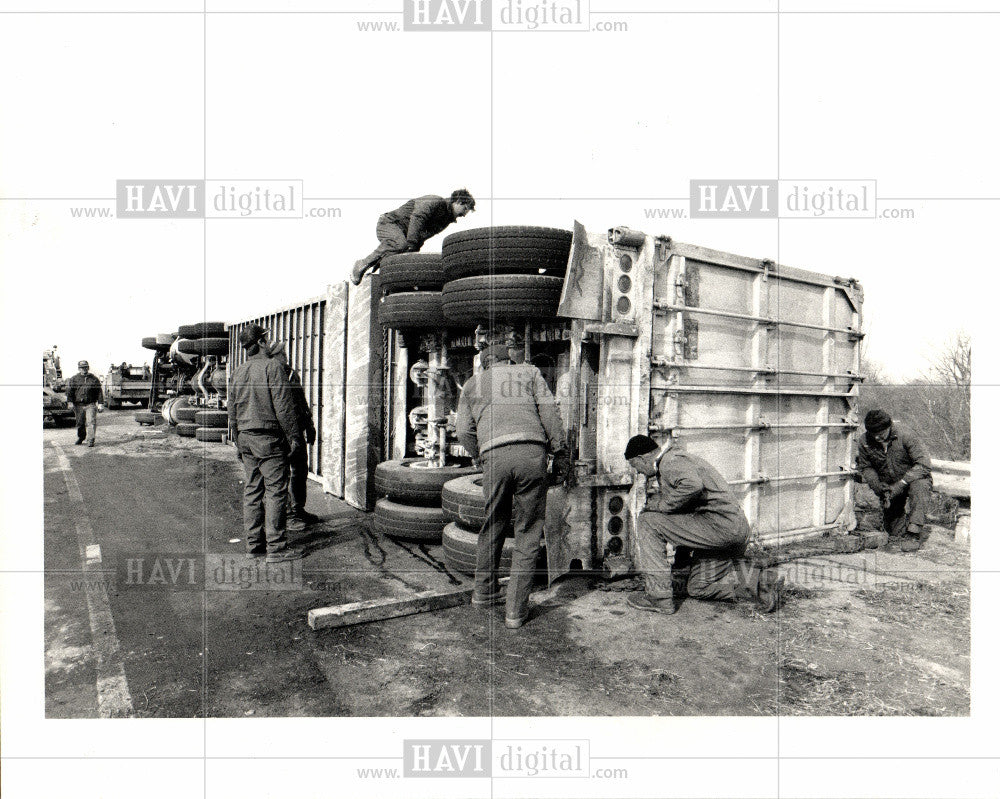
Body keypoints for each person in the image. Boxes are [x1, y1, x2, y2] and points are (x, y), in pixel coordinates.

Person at [456, 344, 569, 629]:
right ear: (510, 360)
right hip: (532, 454)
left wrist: (479, 454)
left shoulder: (471, 385)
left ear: (484, 364)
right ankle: (515, 613)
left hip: (493, 455)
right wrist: (560, 451)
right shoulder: (529, 373)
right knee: (528, 532)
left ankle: (483, 593)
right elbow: (549, 413)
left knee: (493, 524)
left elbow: (463, 431)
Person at [624, 434, 783, 614]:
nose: (637, 471)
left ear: (641, 458)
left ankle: (658, 598)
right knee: (698, 587)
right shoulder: (680, 459)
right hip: (731, 534)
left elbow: (692, 486)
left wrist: (660, 505)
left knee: (648, 521)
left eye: (633, 465)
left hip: (720, 529)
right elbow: (686, 517)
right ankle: (760, 584)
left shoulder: (670, 462)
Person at [227, 325, 305, 563]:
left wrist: (237, 440)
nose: (269, 341)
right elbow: (283, 407)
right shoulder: (274, 367)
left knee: (252, 491)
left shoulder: (238, 371)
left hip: (246, 438)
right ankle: (277, 549)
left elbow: (231, 409)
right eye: (267, 338)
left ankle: (254, 547)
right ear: (261, 342)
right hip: (268, 439)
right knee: (275, 492)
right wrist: (294, 437)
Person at [351, 189, 475, 285]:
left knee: (404, 256)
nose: (464, 215)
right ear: (458, 201)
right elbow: (417, 218)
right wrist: (411, 242)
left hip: (405, 235)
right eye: (465, 209)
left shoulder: (446, 220)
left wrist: (413, 251)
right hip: (390, 223)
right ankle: (362, 264)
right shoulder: (434, 201)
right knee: (401, 244)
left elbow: (424, 235)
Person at [856, 409, 932, 553]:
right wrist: (876, 485)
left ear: (889, 427)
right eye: (874, 435)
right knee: (893, 533)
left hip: (912, 480)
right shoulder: (864, 441)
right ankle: (900, 529)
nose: (877, 438)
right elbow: (866, 467)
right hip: (889, 485)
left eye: (881, 434)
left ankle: (913, 533)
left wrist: (902, 483)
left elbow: (924, 464)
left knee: (920, 487)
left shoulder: (906, 435)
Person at [267, 342, 320, 531]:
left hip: (297, 429)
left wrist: (310, 426)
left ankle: (298, 509)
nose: (285, 356)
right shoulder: (271, 374)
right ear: (274, 356)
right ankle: (289, 515)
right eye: (281, 353)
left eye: (284, 353)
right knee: (283, 474)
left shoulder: (290, 373)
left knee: (300, 471)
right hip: (281, 432)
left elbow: (301, 403)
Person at [65, 360, 104, 447]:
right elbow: (70, 391)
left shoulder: (94, 379)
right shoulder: (74, 379)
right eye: (82, 368)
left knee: (91, 422)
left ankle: (90, 440)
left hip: (90, 404)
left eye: (85, 367)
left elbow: (99, 392)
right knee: (80, 423)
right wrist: (70, 402)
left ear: (88, 368)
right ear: (79, 369)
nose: (84, 369)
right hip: (78, 405)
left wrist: (101, 403)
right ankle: (81, 437)